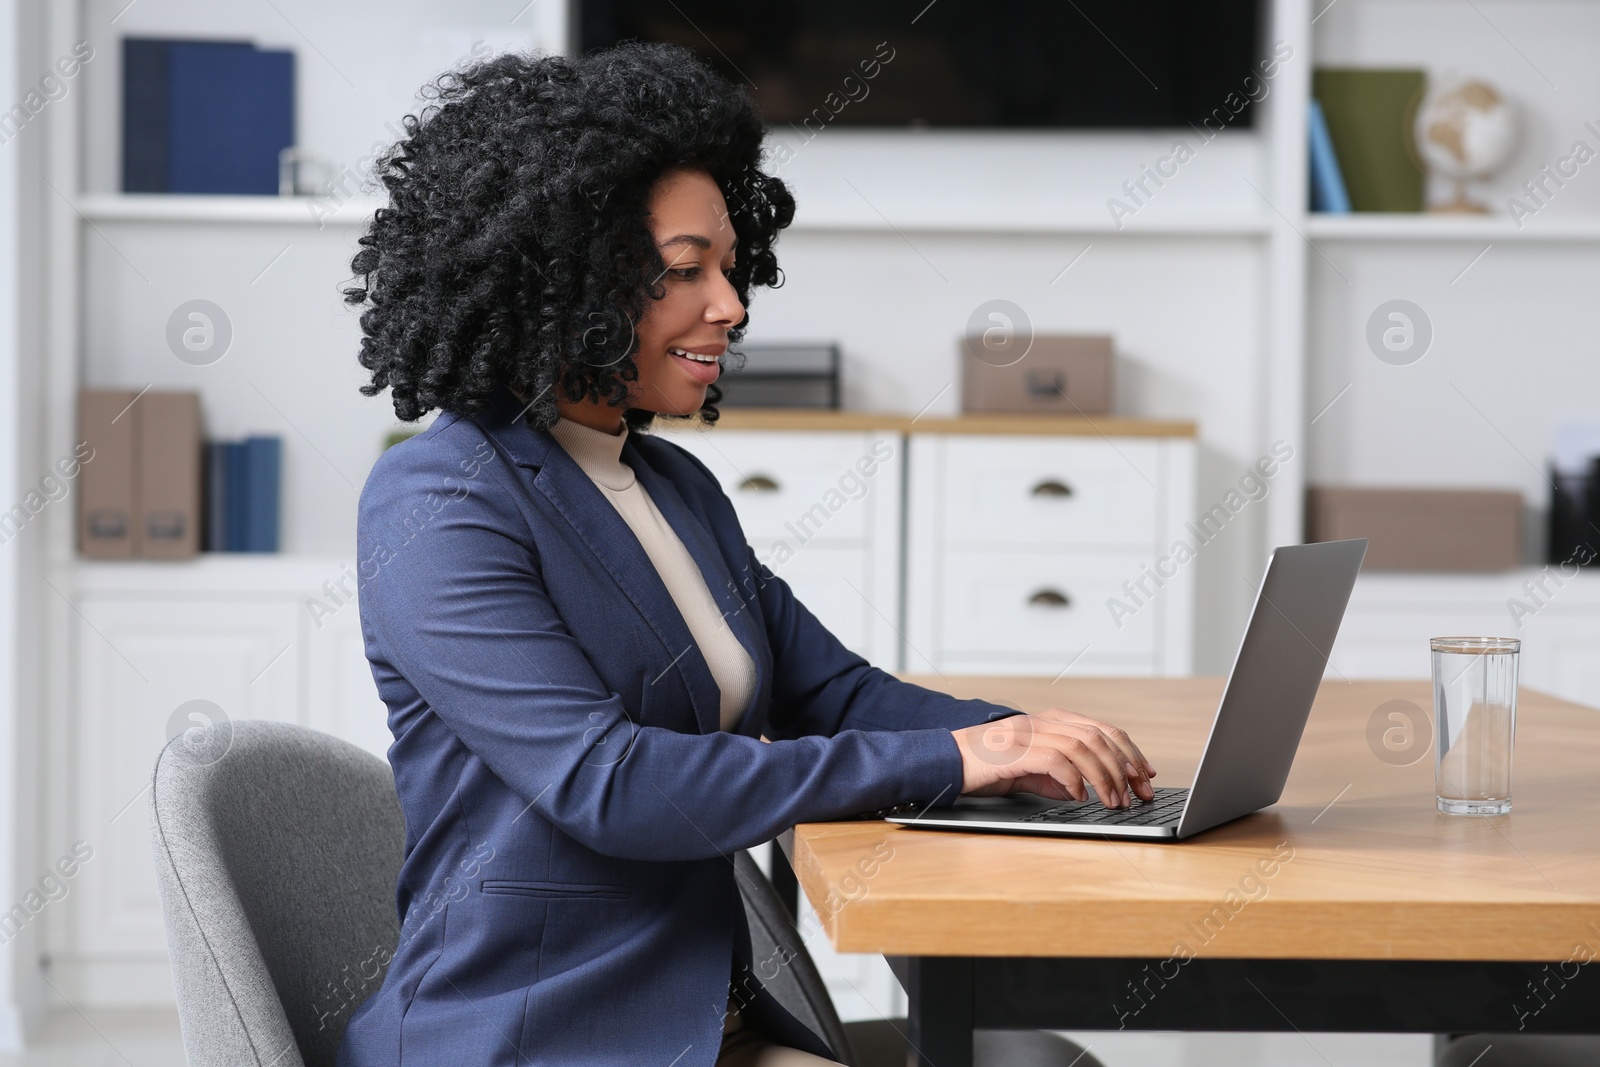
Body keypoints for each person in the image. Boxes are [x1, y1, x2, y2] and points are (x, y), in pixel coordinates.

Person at [337, 40, 1156, 1067]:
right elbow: (609, 781)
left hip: (695, 1017)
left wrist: (1023, 737)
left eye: (729, 265)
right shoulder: (442, 501)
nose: (730, 304)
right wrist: (955, 760)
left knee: (1049, 1059)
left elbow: (837, 692)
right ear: (566, 278)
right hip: (535, 1033)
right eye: (686, 271)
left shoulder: (675, 488)